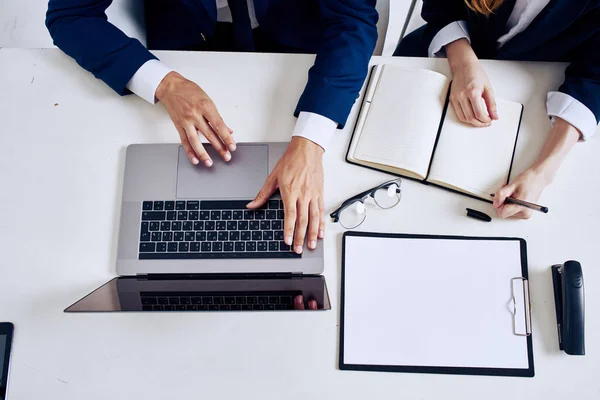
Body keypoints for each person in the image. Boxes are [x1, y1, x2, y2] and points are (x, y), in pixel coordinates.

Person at [46, 0, 378, 253]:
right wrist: (163, 82)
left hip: (303, 49)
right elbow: (71, 15)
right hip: (184, 45)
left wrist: (311, 140)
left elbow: (352, 22)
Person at [395, 0, 600, 219]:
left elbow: (593, 78)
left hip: (536, 81)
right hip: (445, 47)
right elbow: (441, 7)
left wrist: (543, 172)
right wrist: (463, 63)